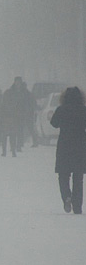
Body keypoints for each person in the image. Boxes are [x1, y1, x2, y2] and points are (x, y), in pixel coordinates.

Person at [50, 86, 86, 214]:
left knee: (63, 175)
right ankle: (77, 206)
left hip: (64, 146)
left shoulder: (61, 109)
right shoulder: (83, 110)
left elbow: (54, 123)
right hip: (80, 146)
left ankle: (66, 197)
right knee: (78, 177)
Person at [1, 76, 28, 157]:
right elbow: (3, 105)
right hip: (9, 116)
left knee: (16, 132)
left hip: (18, 115)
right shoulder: (10, 92)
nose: (18, 83)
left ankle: (16, 148)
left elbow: (26, 104)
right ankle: (8, 150)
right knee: (8, 134)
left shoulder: (24, 92)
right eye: (17, 81)